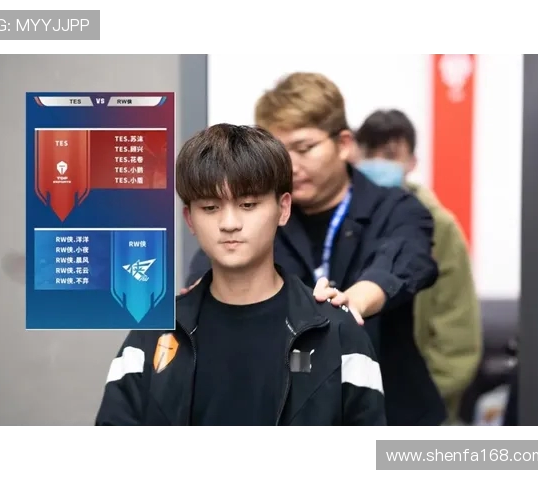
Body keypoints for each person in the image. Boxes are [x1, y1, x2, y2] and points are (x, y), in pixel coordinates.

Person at [185, 73, 446, 426]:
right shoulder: (262, 216)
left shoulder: (395, 208)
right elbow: (212, 266)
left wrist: (352, 303)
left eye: (304, 148)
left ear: (343, 143)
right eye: (279, 151)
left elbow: (405, 259)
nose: (290, 166)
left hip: (391, 409)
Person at [95, 123, 386, 426]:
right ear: (190, 219)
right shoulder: (154, 333)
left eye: (248, 204)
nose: (229, 223)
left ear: (283, 209)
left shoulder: (335, 333)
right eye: (210, 207)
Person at [352, 108, 482, 424]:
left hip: (417, 410)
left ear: (411, 162)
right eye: (370, 153)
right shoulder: (347, 220)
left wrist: (420, 400)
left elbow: (457, 332)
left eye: (390, 155)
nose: (378, 163)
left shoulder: (439, 227)